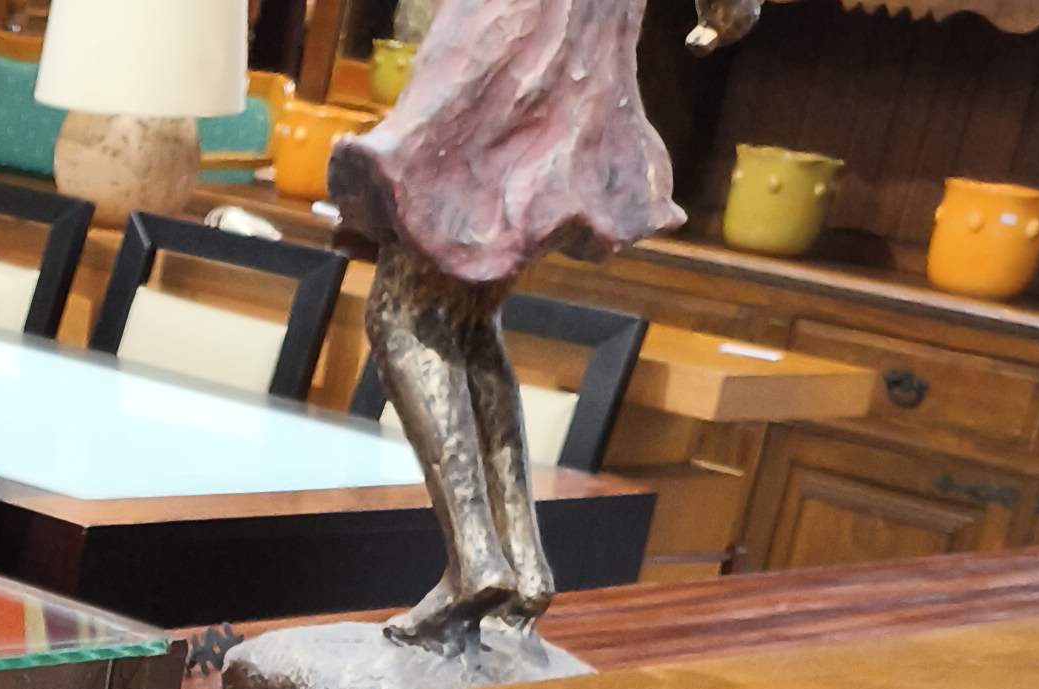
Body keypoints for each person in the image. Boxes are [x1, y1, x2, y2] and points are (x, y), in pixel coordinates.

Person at [327, 0, 763, 644]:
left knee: (404, 315)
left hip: (505, 43)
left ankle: (476, 559)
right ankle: (521, 563)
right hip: (585, 59)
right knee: (469, 313)